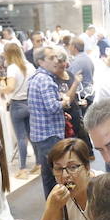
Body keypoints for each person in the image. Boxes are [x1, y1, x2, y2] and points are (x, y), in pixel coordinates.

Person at [26, 46, 77, 195]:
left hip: (40, 134)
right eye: (51, 58)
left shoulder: (36, 77)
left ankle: (52, 207)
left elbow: (42, 107)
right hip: (50, 135)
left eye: (56, 57)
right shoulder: (46, 80)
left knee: (48, 175)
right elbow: (52, 107)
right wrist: (65, 101)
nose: (56, 60)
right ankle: (64, 208)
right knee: (60, 175)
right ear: (41, 61)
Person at [37, 138, 101, 220]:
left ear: (87, 167)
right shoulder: (58, 195)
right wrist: (52, 208)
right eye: (58, 168)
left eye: (72, 167)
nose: (65, 175)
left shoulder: (103, 187)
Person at [0, 42, 35, 172]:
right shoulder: (30, 66)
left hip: (17, 104)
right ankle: (39, 163)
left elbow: (11, 87)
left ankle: (22, 167)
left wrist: (2, 88)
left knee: (21, 137)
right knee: (31, 135)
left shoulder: (12, 68)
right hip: (30, 103)